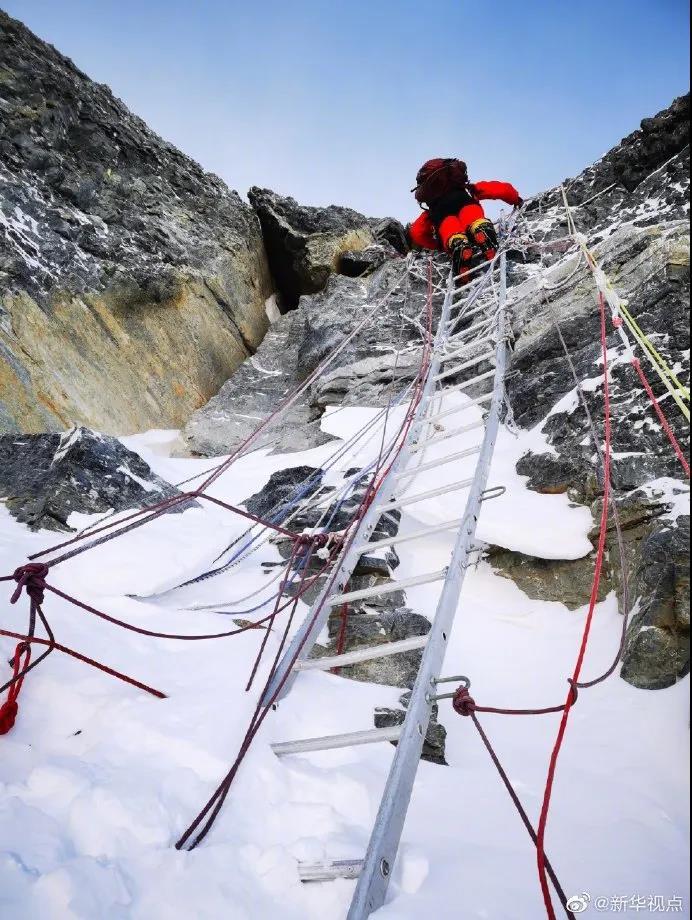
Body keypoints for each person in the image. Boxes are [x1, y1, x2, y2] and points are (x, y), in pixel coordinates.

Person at [406, 158, 523, 283]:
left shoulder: (430, 211)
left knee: (450, 228)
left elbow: (416, 232)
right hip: (466, 202)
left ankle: (457, 243)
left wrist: (438, 245)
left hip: (441, 213)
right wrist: (516, 199)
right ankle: (480, 228)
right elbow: (500, 189)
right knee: (472, 217)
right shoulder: (468, 189)